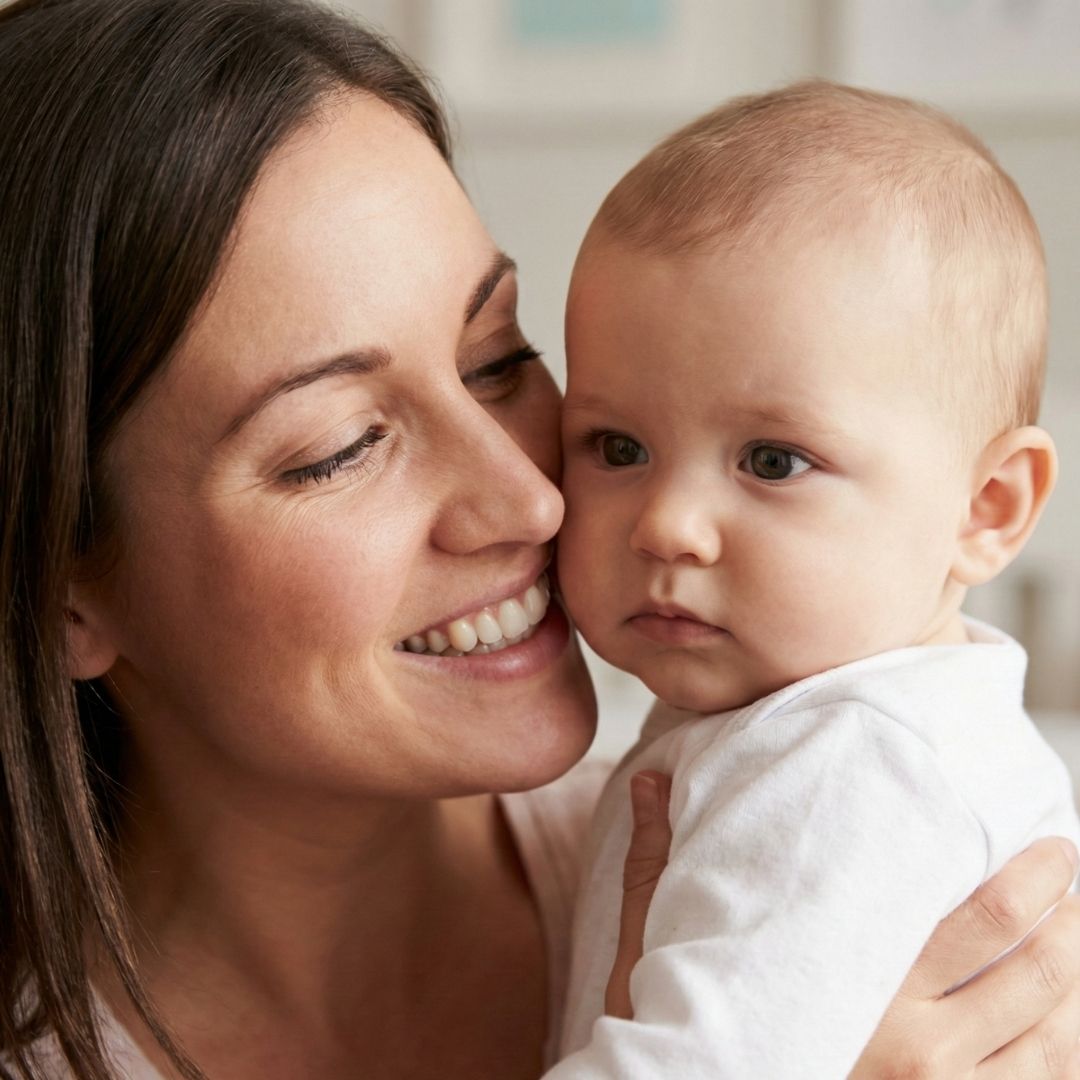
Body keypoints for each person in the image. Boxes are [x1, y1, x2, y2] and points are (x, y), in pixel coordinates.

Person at [0, 3, 1078, 1077]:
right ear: (64, 589)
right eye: (341, 447)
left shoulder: (823, 825)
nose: (533, 499)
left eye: (496, 358)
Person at [554, 81, 1080, 1077]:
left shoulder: (848, 768)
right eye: (616, 446)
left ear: (988, 509)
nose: (668, 525)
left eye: (772, 463)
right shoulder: (814, 727)